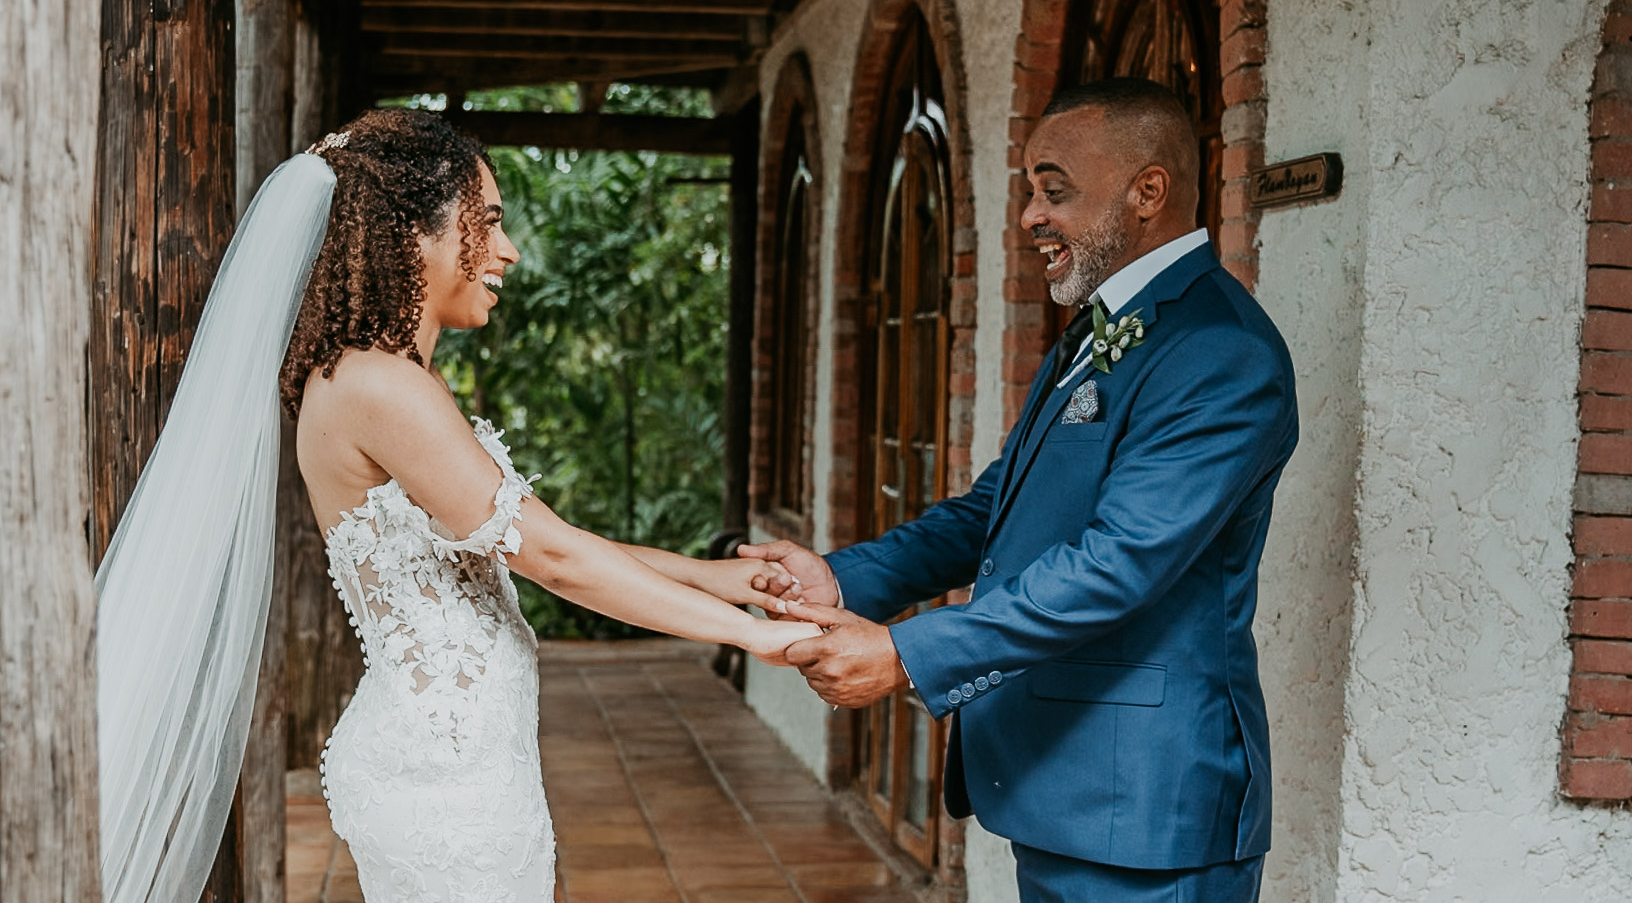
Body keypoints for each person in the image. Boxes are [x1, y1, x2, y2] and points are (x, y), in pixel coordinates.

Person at [95, 108, 816, 903]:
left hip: (464, 762)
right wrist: (754, 638)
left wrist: (724, 580)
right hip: (445, 783)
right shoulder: (380, 386)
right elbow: (555, 559)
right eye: (488, 223)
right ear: (417, 233)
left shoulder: (388, 382)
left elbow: (540, 536)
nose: (507, 252)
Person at [748, 78, 1299, 903]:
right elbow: (995, 509)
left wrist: (904, 655)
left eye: (1054, 190)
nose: (1030, 216)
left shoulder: (1221, 351)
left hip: (1150, 810)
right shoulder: (1098, 329)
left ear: (1147, 191)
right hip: (1065, 788)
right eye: (1030, 192)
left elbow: (1119, 563)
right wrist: (849, 579)